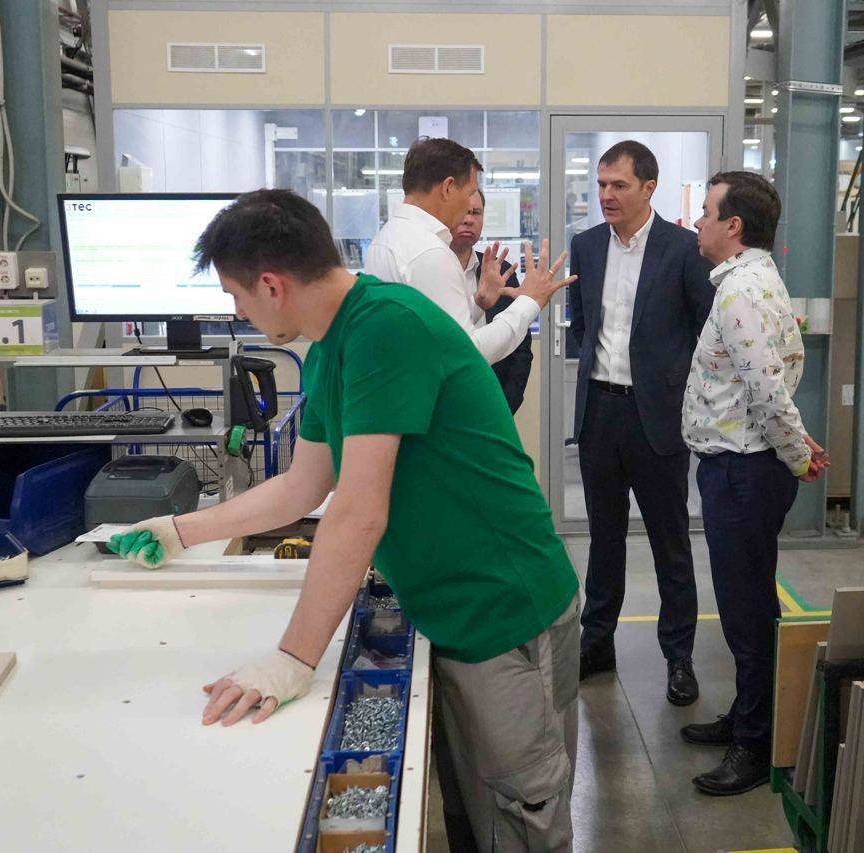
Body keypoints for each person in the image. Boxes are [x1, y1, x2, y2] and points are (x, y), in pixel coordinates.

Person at [111, 189, 581, 851]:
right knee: (475, 813)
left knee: (521, 809)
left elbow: (359, 512)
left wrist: (292, 659)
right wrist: (179, 530)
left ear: (271, 285)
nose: (238, 312)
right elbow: (303, 486)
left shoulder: (386, 327)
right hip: (447, 604)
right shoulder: (332, 344)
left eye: (236, 296)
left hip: (503, 608)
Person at [680, 170, 828, 796]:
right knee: (750, 602)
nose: (698, 222)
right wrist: (795, 447)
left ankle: (755, 742)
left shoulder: (740, 292)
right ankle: (748, 714)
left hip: (742, 470)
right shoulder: (755, 280)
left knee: (745, 612)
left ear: (733, 225)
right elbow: (768, 378)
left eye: (706, 211)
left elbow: (767, 391)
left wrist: (797, 454)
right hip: (743, 465)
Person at [567, 141, 714, 705]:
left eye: (619, 185)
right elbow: (584, 326)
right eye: (602, 184)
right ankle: (597, 642)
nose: (607, 195)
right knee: (603, 538)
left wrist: (677, 389)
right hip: (600, 413)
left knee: (669, 542)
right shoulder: (587, 246)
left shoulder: (683, 249)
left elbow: (705, 330)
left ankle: (679, 656)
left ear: (648, 188)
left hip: (657, 418)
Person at [364, 137, 572, 366]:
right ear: (448, 188)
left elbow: (431, 333)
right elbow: (466, 353)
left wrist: (476, 306)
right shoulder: (429, 252)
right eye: (469, 193)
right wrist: (529, 301)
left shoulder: (387, 238)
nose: (467, 210)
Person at [449, 188, 533, 413]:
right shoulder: (428, 269)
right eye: (463, 212)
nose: (469, 220)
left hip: (493, 404)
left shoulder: (500, 270)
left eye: (476, 213)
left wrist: (505, 406)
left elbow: (520, 347)